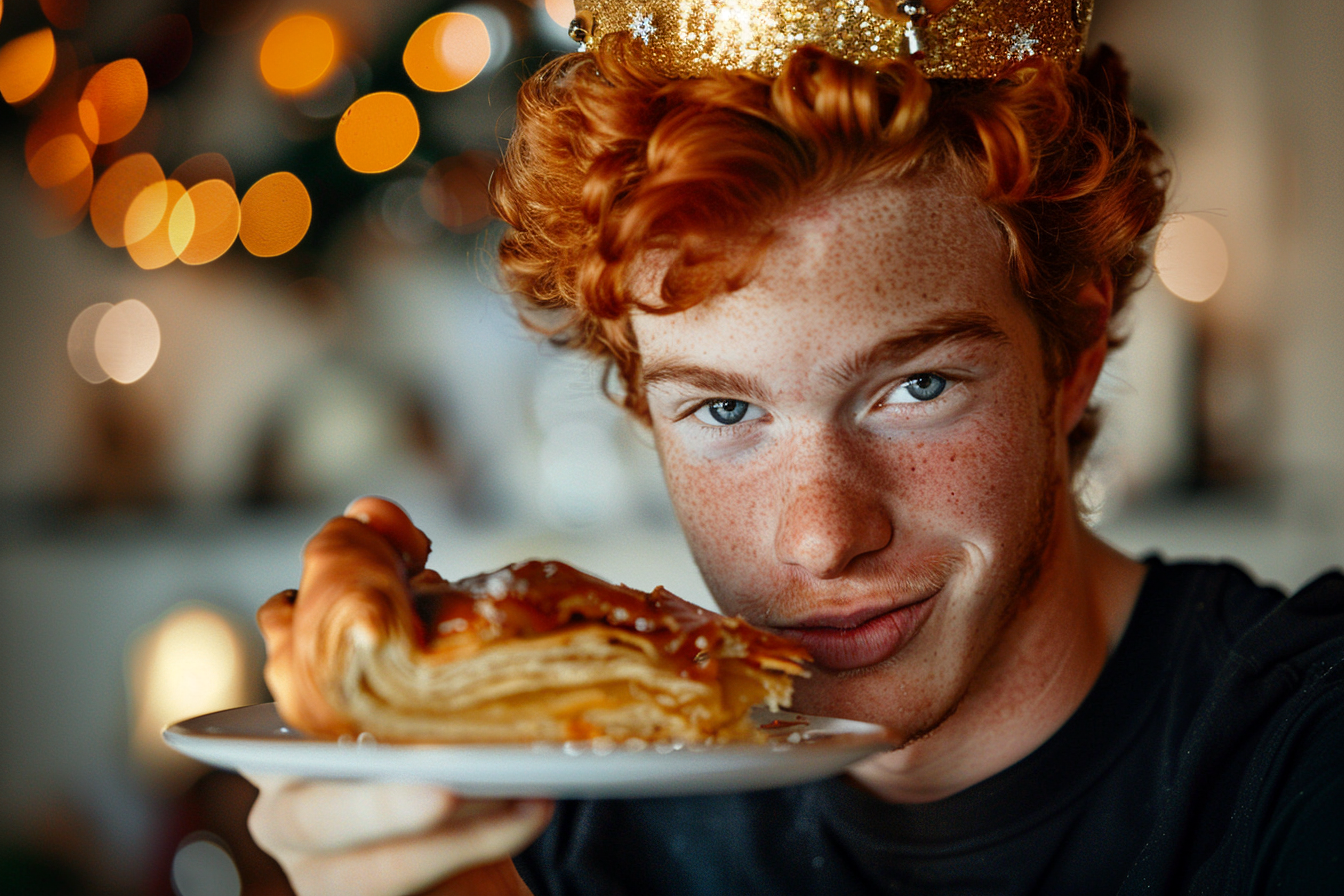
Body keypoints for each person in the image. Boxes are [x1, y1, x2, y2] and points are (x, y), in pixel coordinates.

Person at [244, 0, 1344, 893]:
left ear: (1075, 356)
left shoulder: (1300, 749)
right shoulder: (532, 807)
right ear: (640, 408)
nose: (823, 537)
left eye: (916, 386)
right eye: (723, 411)